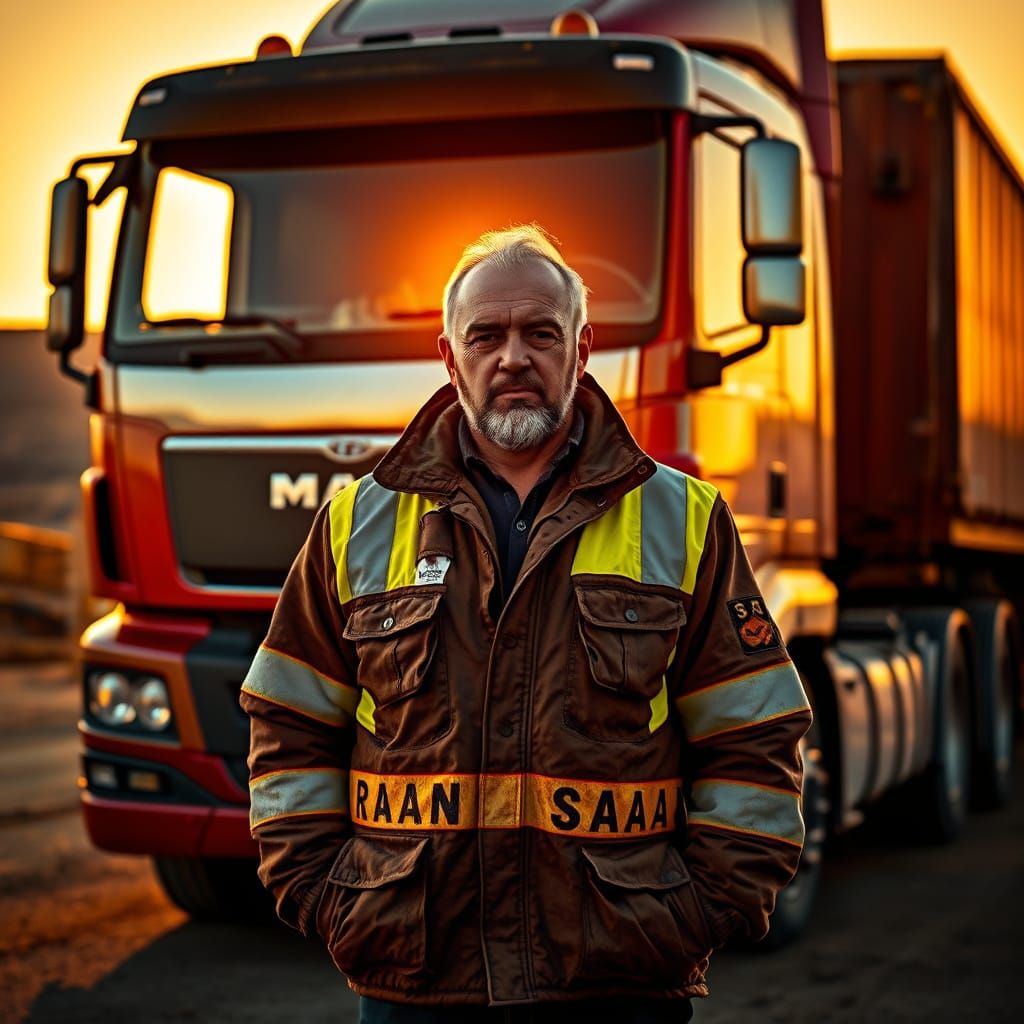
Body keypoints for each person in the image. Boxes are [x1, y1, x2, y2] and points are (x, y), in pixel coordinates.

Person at [240, 225, 812, 1022]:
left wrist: (695, 915)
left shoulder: (684, 519)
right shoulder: (354, 523)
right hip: (414, 979)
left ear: (581, 351)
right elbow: (290, 724)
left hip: (617, 980)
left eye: (541, 333)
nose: (513, 357)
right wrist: (329, 899)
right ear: (450, 358)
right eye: (487, 336)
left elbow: (752, 733)